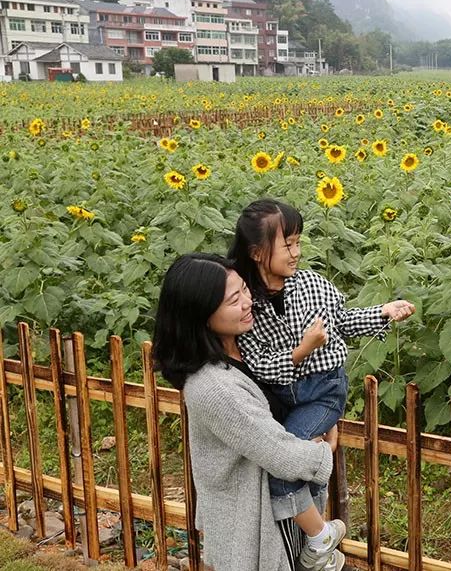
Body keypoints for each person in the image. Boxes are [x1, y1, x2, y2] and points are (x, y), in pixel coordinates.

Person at [227, 199, 415, 567]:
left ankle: (317, 538)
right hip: (280, 395)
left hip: (322, 394)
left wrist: (383, 312)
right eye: (288, 245)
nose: (297, 253)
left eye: (299, 242)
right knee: (292, 462)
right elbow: (260, 365)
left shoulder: (312, 285)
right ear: (256, 252)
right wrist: (302, 350)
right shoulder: (247, 303)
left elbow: (342, 321)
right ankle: (318, 543)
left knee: (286, 463)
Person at [152, 253, 345, 571]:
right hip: (253, 519)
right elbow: (277, 451)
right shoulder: (214, 387)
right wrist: (324, 451)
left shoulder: (250, 346)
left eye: (245, 290)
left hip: (280, 503)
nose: (247, 302)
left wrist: (323, 413)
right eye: (233, 300)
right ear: (200, 314)